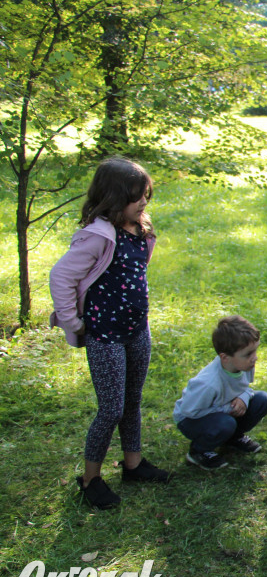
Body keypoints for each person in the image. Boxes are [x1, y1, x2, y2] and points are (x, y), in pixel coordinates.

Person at [49, 157, 170, 510]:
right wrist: (73, 322)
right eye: (136, 197)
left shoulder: (140, 229)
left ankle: (132, 464)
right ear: (113, 199)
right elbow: (61, 276)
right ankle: (90, 479)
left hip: (136, 330)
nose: (143, 203)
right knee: (111, 409)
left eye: (146, 195)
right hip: (105, 335)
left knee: (132, 401)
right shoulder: (99, 234)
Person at [174, 316, 267, 470]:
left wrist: (243, 397)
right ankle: (199, 450)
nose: (255, 358)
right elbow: (189, 411)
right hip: (191, 419)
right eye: (248, 354)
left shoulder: (244, 365)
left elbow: (246, 387)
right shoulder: (209, 383)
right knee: (226, 423)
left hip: (223, 411)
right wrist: (227, 410)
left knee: (263, 400)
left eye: (255, 350)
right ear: (225, 358)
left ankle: (232, 438)